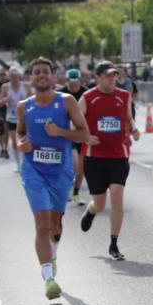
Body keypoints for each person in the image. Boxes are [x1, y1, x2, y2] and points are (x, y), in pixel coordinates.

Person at [16, 57, 90, 299]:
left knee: (55, 224)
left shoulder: (66, 102)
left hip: (61, 171)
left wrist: (60, 132)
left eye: (45, 71)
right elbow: (20, 133)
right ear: (31, 78)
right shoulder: (23, 106)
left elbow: (84, 134)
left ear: (53, 76)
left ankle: (53, 252)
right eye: (36, 72)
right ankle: (48, 278)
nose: (41, 75)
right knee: (41, 224)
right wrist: (21, 144)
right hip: (33, 170)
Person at [79, 61, 141, 260]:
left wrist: (135, 129)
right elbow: (76, 123)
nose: (112, 79)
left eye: (114, 75)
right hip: (95, 157)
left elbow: (129, 119)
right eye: (108, 75)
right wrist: (86, 137)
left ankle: (113, 244)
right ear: (97, 78)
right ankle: (91, 211)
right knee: (100, 203)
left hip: (118, 155)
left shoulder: (124, 95)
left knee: (116, 195)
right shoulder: (88, 97)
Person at [0, 67, 32, 173]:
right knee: (14, 140)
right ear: (10, 77)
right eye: (12, 76)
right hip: (11, 116)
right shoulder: (5, 87)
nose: (14, 78)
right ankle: (17, 164)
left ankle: (24, 162)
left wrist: (27, 98)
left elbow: (33, 98)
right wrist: (5, 99)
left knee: (24, 139)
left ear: (19, 76)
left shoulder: (26, 85)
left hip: (24, 116)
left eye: (16, 76)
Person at [62, 69, 87, 205]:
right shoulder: (60, 94)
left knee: (81, 169)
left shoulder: (86, 93)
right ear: (66, 82)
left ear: (80, 80)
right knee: (74, 164)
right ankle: (66, 190)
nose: (74, 86)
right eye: (71, 83)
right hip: (67, 134)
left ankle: (76, 194)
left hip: (82, 133)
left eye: (76, 83)